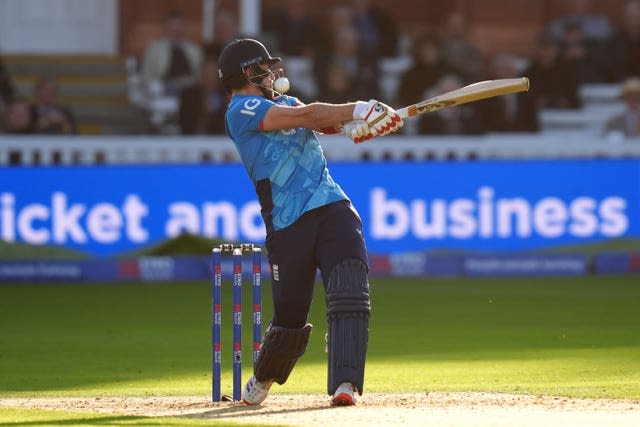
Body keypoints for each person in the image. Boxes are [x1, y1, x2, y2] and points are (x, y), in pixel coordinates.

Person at [217, 38, 403, 406]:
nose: (272, 73)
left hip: (331, 205)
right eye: (264, 67)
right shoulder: (241, 110)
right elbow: (307, 117)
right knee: (290, 316)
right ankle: (263, 379)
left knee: (350, 287)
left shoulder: (286, 102)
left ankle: (345, 384)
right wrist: (361, 107)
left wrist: (361, 125)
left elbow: (326, 123)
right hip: (288, 224)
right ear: (247, 72)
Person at [141, 11, 203, 96]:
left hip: (188, 94)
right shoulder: (154, 49)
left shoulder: (194, 50)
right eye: (172, 28)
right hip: (161, 93)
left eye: (179, 27)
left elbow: (199, 77)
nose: (176, 31)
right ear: (166, 29)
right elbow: (146, 76)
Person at [178, 57, 226, 135]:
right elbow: (183, 121)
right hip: (193, 139)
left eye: (212, 74)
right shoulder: (188, 95)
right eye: (206, 74)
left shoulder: (225, 95)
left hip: (218, 139)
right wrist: (203, 111)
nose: (209, 78)